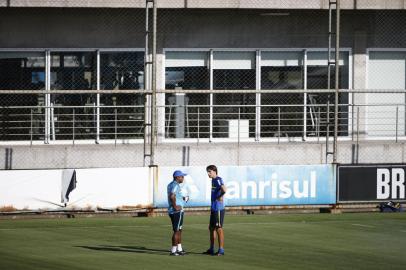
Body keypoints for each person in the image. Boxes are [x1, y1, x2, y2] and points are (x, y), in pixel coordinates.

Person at [204, 165, 226, 256]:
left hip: (218, 208)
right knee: (211, 228)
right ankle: (212, 248)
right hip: (214, 208)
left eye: (209, 171)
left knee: (219, 228)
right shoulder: (213, 180)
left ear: (214, 171)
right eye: (207, 172)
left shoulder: (217, 179)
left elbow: (224, 189)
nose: (208, 173)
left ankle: (221, 249)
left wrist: (220, 197)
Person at [167, 170, 188, 256]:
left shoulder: (171, 184)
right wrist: (175, 206)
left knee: (179, 230)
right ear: (177, 177)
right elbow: (172, 196)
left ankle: (179, 249)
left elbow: (175, 196)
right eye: (182, 176)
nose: (183, 178)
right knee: (176, 231)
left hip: (175, 211)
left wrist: (183, 198)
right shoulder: (175, 185)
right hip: (176, 211)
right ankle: (173, 250)